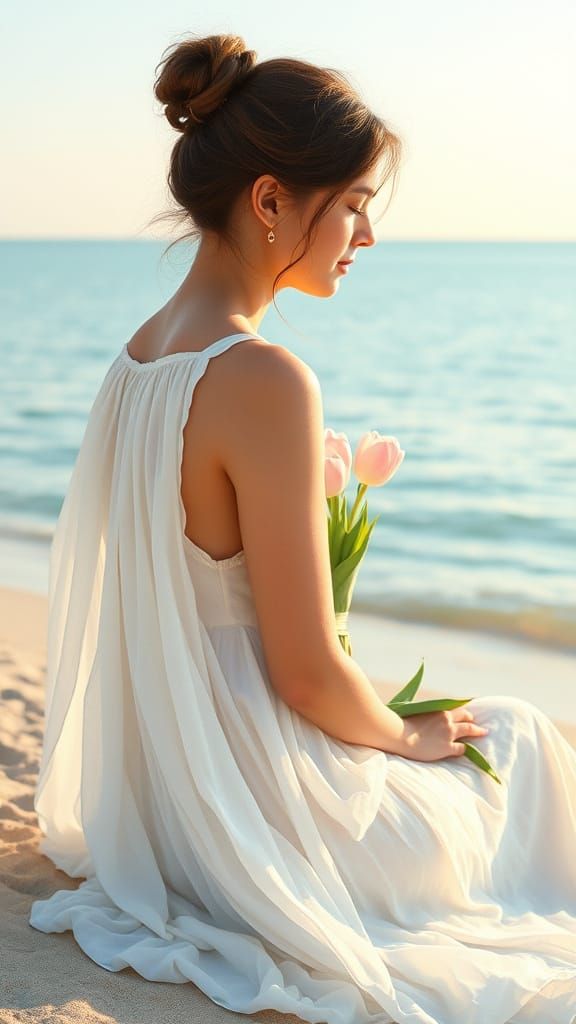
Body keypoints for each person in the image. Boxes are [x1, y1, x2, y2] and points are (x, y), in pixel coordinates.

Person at [29, 32, 576, 1024]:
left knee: (499, 741)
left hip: (170, 806)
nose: (365, 236)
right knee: (526, 738)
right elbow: (307, 674)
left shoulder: (135, 361)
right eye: (356, 205)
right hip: (264, 813)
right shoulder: (264, 378)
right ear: (272, 198)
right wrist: (404, 734)